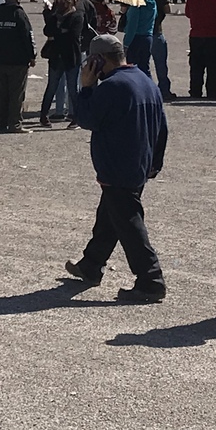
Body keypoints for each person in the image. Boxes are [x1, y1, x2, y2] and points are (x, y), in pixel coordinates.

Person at [63, 34, 169, 302]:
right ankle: (91, 264)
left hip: (117, 167)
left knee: (129, 222)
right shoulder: (146, 81)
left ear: (99, 60)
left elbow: (86, 118)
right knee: (110, 215)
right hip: (138, 165)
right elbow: (162, 128)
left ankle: (151, 279)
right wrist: (154, 163)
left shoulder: (111, 87)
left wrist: (85, 87)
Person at [0, 0, 36, 132]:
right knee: (16, 94)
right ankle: (15, 124)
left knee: (2, 94)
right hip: (17, 62)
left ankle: (0, 123)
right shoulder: (19, 14)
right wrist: (32, 56)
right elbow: (28, 36)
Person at [39, 0, 85, 127]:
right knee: (51, 86)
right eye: (58, 2)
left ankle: (76, 117)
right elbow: (47, 31)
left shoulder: (77, 16)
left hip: (71, 57)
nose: (60, 5)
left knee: (73, 89)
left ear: (71, 2)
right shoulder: (55, 16)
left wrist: (57, 33)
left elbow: (73, 34)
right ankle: (43, 116)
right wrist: (59, 30)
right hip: (56, 57)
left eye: (63, 2)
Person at [121, 0, 157, 75]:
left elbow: (132, 26)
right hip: (148, 37)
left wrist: (126, 44)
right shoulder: (152, 2)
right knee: (145, 67)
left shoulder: (136, 5)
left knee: (131, 69)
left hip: (136, 39)